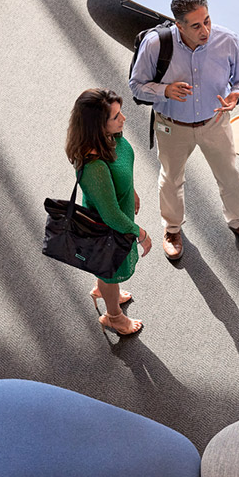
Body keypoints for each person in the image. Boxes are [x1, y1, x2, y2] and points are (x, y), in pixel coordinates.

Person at [129, 0, 239, 261]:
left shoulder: (226, 40)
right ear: (178, 25)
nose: (205, 30)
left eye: (207, 21)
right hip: (172, 125)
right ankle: (172, 229)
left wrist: (237, 95)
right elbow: (136, 87)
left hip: (215, 121)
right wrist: (165, 91)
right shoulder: (156, 45)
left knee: (229, 174)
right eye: (196, 25)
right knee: (171, 177)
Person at [65, 88, 153, 336]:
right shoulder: (93, 165)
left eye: (120, 112)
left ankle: (102, 287)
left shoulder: (111, 137)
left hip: (118, 215)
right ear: (97, 126)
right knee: (111, 270)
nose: (124, 118)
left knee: (108, 269)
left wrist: (131, 190)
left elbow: (121, 167)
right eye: (116, 117)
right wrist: (141, 233)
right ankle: (113, 316)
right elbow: (112, 216)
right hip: (108, 228)